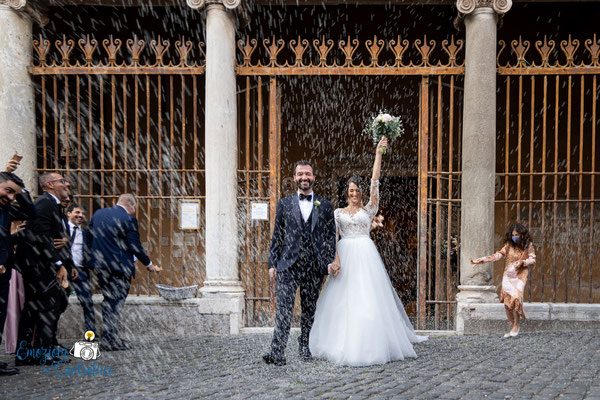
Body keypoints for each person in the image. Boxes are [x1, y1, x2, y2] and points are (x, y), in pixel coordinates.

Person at [309, 137, 428, 366]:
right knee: (342, 300)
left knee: (368, 297)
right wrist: (335, 260)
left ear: (362, 193)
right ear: (347, 193)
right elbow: (333, 238)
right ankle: (339, 341)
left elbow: (375, 179)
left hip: (365, 256)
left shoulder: (370, 209)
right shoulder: (337, 213)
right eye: (351, 190)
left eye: (357, 190)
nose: (354, 193)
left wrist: (378, 154)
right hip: (344, 255)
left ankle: (371, 341)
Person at [263, 161, 337, 366]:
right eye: (300, 174)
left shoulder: (325, 205)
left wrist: (330, 260)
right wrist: (272, 263)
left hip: (314, 266)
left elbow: (331, 236)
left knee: (309, 309)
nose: (304, 177)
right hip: (288, 264)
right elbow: (277, 235)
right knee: (284, 310)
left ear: (314, 177)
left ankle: (305, 346)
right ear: (294, 178)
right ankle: (277, 351)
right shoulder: (284, 204)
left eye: (308, 174)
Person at [88, 194, 161, 351]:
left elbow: (89, 237)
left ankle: (109, 336)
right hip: (119, 269)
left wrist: (91, 261)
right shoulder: (129, 220)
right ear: (132, 206)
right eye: (135, 208)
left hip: (101, 268)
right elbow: (134, 246)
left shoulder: (98, 214)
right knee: (116, 303)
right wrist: (149, 264)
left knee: (108, 301)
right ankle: (109, 340)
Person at [15, 172, 73, 366]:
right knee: (47, 307)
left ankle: (26, 354)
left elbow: (48, 234)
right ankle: (42, 353)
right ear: (49, 184)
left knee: (34, 309)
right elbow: (39, 235)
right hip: (39, 265)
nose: (67, 184)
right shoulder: (46, 203)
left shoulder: (51, 204)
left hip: (39, 264)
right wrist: (58, 264)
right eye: (62, 181)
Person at [0, 159, 35, 375]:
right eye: (8, 191)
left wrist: (20, 192)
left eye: (13, 195)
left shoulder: (6, 209)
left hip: (4, 273)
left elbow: (31, 213)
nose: (10, 198)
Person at [471, 223, 536, 338]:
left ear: (522, 234)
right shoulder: (508, 245)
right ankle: (512, 326)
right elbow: (498, 255)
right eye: (513, 234)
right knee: (507, 303)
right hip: (508, 275)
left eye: (517, 234)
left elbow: (532, 260)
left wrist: (522, 262)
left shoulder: (528, 245)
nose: (514, 237)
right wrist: (483, 260)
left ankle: (517, 325)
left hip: (520, 275)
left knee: (516, 298)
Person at [66, 203, 95, 334]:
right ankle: (50, 341)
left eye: (82, 214)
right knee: (57, 305)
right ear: (69, 213)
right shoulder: (61, 229)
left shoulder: (85, 232)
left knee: (88, 303)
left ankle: (90, 335)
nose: (81, 216)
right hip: (63, 270)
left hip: (81, 271)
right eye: (77, 212)